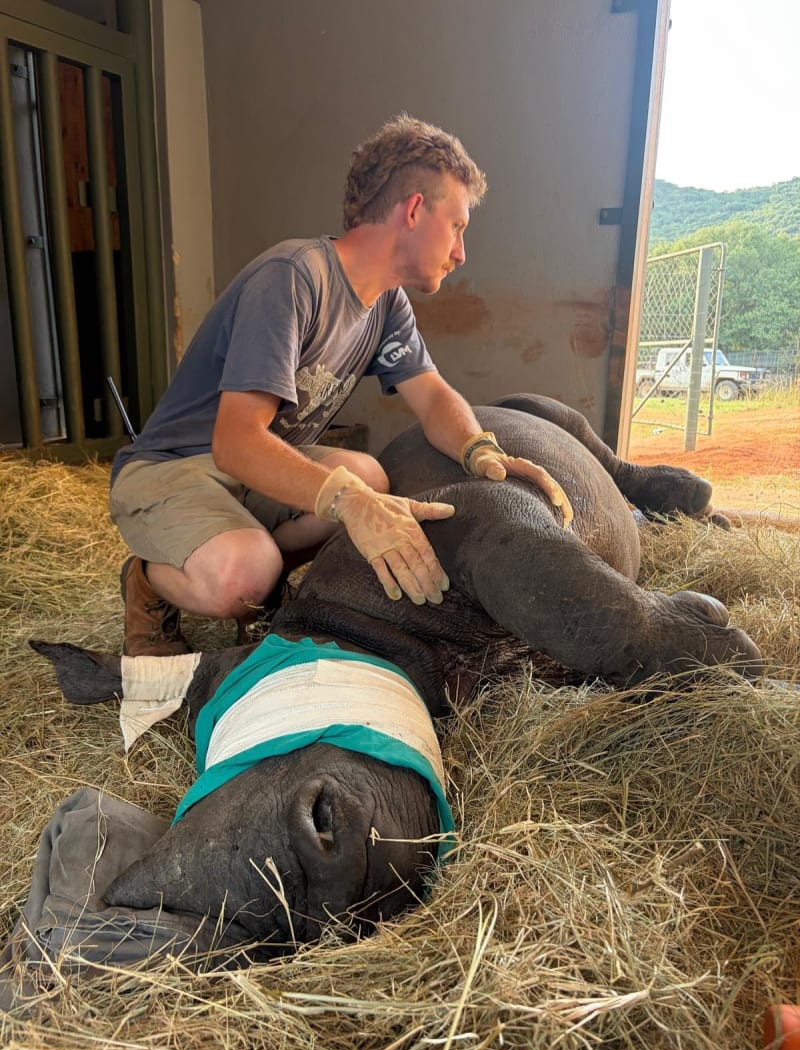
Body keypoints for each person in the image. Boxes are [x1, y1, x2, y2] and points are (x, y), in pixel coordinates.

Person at [110, 114, 567, 657]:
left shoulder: (388, 304)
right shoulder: (293, 277)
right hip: (174, 467)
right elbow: (233, 442)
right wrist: (349, 504)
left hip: (250, 469)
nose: (461, 252)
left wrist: (481, 450)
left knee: (368, 474)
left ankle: (257, 568)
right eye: (458, 226)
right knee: (248, 574)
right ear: (415, 210)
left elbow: (433, 394)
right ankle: (149, 579)